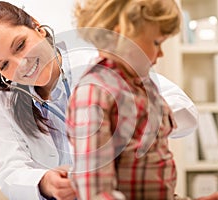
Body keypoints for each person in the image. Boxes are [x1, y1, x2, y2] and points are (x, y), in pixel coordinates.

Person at [0, 1, 197, 200]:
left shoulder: (98, 61)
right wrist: (45, 182)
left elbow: (185, 110)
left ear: (37, 28)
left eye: (20, 45)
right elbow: (11, 171)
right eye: (4, 65)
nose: (21, 64)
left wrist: (123, 120)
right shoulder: (2, 102)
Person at [66, 0, 186, 199]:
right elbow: (97, 193)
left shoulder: (145, 87)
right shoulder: (95, 93)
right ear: (122, 35)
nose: (161, 53)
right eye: (156, 42)